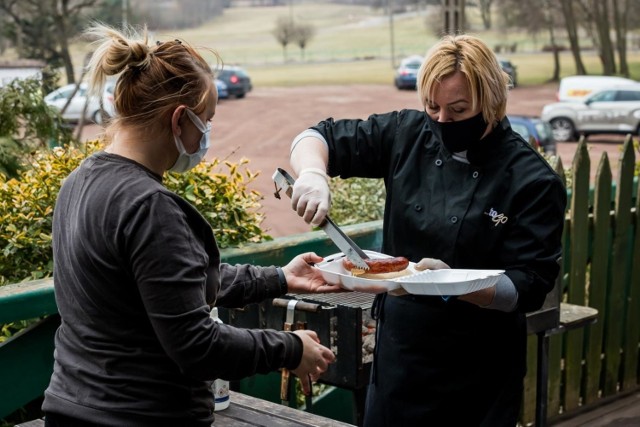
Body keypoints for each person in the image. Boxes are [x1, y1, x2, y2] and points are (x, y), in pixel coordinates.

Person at [42, 24, 340, 427]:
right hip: (142, 416)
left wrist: (279, 278)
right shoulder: (149, 206)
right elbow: (196, 345)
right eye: (207, 120)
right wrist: (290, 348)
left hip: (72, 408)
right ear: (179, 119)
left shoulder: (79, 181)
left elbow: (164, 285)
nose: (207, 134)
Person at [288, 34, 567, 426]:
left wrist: (452, 283)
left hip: (480, 366)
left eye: (458, 109)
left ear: (490, 101)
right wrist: (314, 173)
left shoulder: (531, 179)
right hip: (403, 355)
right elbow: (316, 137)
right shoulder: (406, 133)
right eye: (432, 106)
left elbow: (530, 285)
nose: (441, 121)